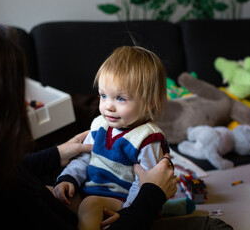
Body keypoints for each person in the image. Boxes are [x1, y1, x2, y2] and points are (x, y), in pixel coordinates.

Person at [0, 15, 178, 230]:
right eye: (19, 91)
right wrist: (152, 194)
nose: (26, 103)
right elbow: (90, 164)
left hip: (117, 201)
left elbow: (77, 159)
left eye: (121, 98)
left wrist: (57, 157)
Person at [53, 46, 177, 229]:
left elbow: (146, 184)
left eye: (120, 98)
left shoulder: (148, 138)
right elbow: (84, 157)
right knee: (48, 194)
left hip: (121, 200)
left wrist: (128, 212)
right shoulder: (99, 124)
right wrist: (67, 179)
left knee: (90, 205)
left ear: (149, 101)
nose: (108, 106)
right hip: (89, 191)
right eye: (104, 96)